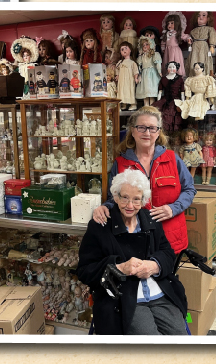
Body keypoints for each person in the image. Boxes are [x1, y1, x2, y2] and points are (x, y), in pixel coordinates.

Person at [76, 169, 189, 334]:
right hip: (125, 299)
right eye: (125, 198)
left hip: (159, 293)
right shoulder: (100, 226)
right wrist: (119, 268)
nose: (130, 205)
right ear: (115, 196)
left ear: (143, 200)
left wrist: (155, 265)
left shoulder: (151, 220)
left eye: (136, 199)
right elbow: (84, 270)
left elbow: (168, 254)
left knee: (181, 338)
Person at [92, 106, 195, 254]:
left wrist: (173, 208)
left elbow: (190, 189)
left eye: (152, 128)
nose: (147, 133)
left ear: (158, 132)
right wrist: (105, 207)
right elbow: (113, 198)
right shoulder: (121, 163)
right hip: (134, 239)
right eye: (141, 127)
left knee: (166, 276)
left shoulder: (173, 159)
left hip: (171, 238)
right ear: (132, 131)